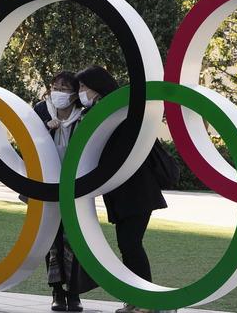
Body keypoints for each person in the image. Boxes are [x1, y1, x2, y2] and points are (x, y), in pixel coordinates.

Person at [75, 65, 171, 313]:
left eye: (84, 87)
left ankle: (147, 300)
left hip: (136, 189)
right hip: (120, 191)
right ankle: (137, 298)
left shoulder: (120, 112)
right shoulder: (97, 113)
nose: (80, 92)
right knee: (128, 244)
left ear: (97, 87)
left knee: (130, 243)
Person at [33, 70, 96, 312]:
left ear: (73, 94)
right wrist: (46, 129)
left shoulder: (84, 115)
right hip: (48, 185)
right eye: (55, 86)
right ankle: (57, 291)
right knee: (52, 239)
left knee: (75, 239)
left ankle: (75, 293)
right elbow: (28, 143)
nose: (59, 92)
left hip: (76, 187)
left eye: (65, 87)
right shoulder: (40, 111)